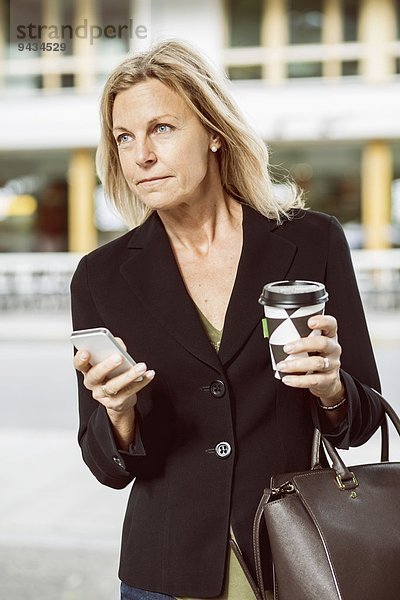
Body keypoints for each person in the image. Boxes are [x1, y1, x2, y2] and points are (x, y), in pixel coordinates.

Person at [71, 39, 384, 600]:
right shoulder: (101, 276)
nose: (141, 154)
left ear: (214, 131)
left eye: (162, 128)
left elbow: (359, 424)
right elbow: (106, 465)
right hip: (165, 575)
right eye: (124, 136)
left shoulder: (311, 242)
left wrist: (333, 388)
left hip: (296, 562)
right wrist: (117, 414)